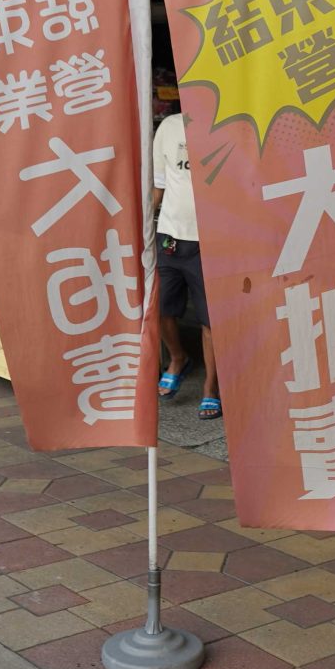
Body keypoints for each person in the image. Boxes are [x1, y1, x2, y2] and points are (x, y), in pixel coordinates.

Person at [151, 86, 219, 420]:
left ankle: (210, 388)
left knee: (210, 319)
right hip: (170, 237)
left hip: (212, 240)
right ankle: (178, 358)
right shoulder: (169, 127)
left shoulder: (227, 127)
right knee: (162, 308)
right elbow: (159, 185)